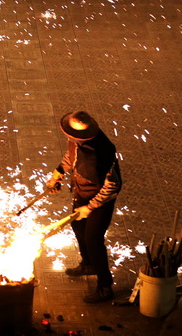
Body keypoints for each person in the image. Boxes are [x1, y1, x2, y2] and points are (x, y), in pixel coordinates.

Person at [46, 110, 122, 303]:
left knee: (93, 240)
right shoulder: (78, 140)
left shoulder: (101, 153)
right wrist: (58, 173)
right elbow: (72, 155)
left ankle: (105, 286)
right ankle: (88, 264)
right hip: (82, 192)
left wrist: (90, 208)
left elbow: (113, 186)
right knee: (78, 226)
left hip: (99, 200)